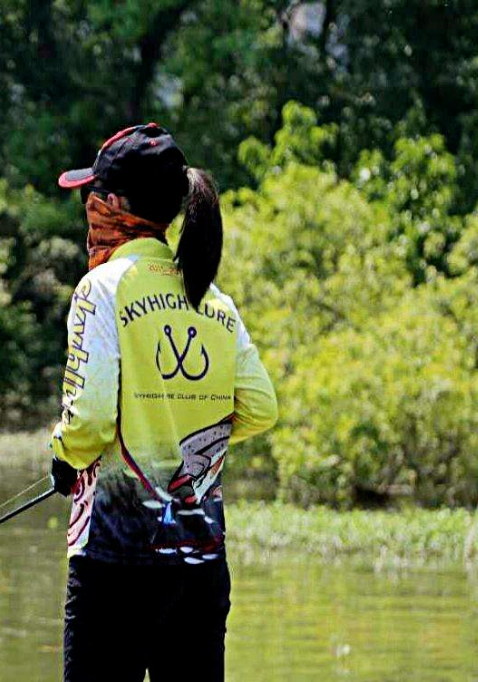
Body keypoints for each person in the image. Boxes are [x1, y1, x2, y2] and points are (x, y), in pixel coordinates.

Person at [48, 123, 278, 682]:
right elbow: (259, 407)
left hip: (115, 565)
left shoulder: (100, 288)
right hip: (200, 566)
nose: (89, 207)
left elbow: (91, 421)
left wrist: (66, 456)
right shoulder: (214, 300)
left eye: (93, 195)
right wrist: (187, 441)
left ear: (117, 204)